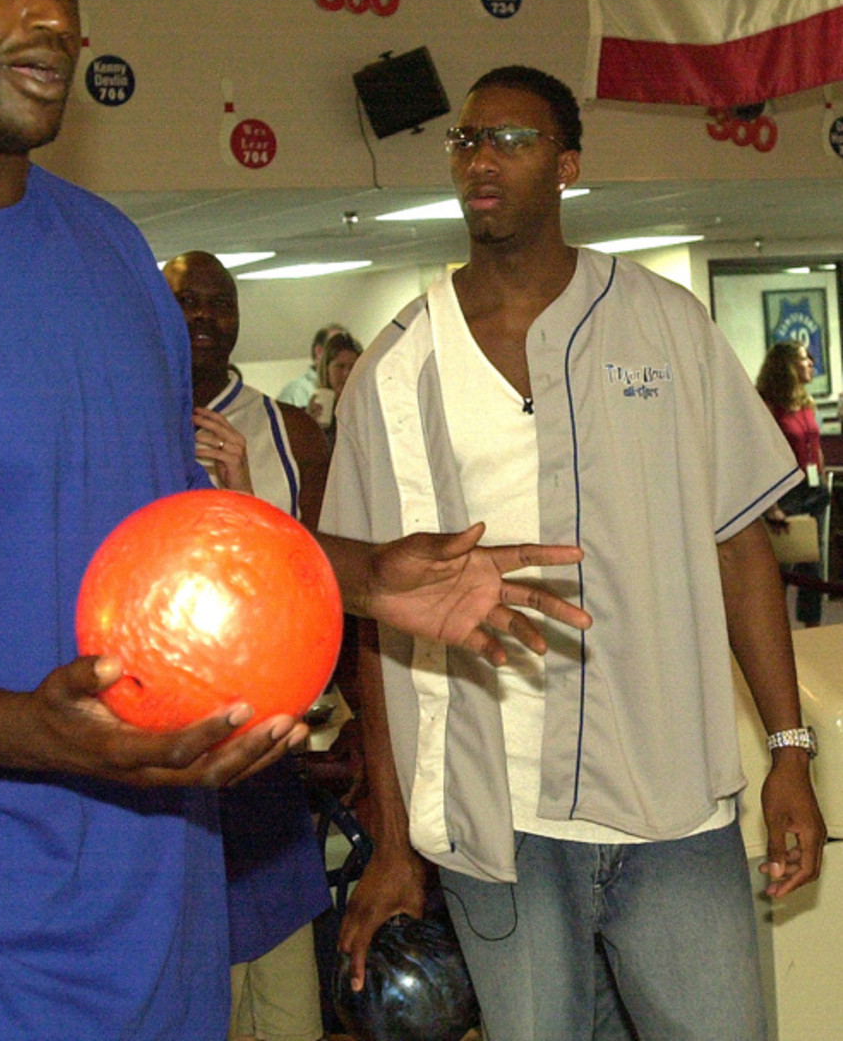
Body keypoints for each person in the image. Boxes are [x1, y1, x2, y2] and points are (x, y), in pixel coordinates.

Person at [0, 0, 591, 1041]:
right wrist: (25, 729)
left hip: (163, 932)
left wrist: (355, 573)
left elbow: (166, 536)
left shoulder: (107, 256)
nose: (53, 16)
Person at [322, 65, 826, 1041]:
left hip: (672, 802)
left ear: (567, 165)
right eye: (466, 140)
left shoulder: (665, 327)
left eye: (510, 139)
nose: (482, 158)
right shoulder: (397, 370)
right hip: (494, 813)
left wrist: (788, 753)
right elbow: (376, 626)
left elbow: (740, 551)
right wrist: (392, 840)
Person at [163, 250, 332, 1041]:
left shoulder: (289, 431)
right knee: (200, 996)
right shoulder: (119, 414)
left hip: (266, 751)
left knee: (287, 999)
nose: (203, 315)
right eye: (184, 299)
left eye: (218, 301)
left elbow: (325, 588)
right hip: (163, 754)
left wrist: (242, 504)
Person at [757, 340, 831, 626]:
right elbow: (761, 455)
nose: (811, 363)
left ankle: (812, 627)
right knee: (782, 568)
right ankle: (775, 632)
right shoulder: (769, 405)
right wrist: (770, 505)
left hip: (813, 491)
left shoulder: (804, 402)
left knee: (813, 568)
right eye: (804, 358)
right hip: (785, 492)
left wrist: (822, 481)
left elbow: (815, 444)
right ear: (786, 365)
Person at [309, 331, 363, 447]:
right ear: (327, 370)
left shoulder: (365, 407)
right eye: (340, 366)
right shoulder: (318, 410)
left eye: (352, 367)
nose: (346, 374)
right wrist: (308, 425)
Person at [278, 324, 347, 407]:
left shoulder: (349, 391)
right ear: (319, 351)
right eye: (336, 349)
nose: (343, 355)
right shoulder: (295, 392)